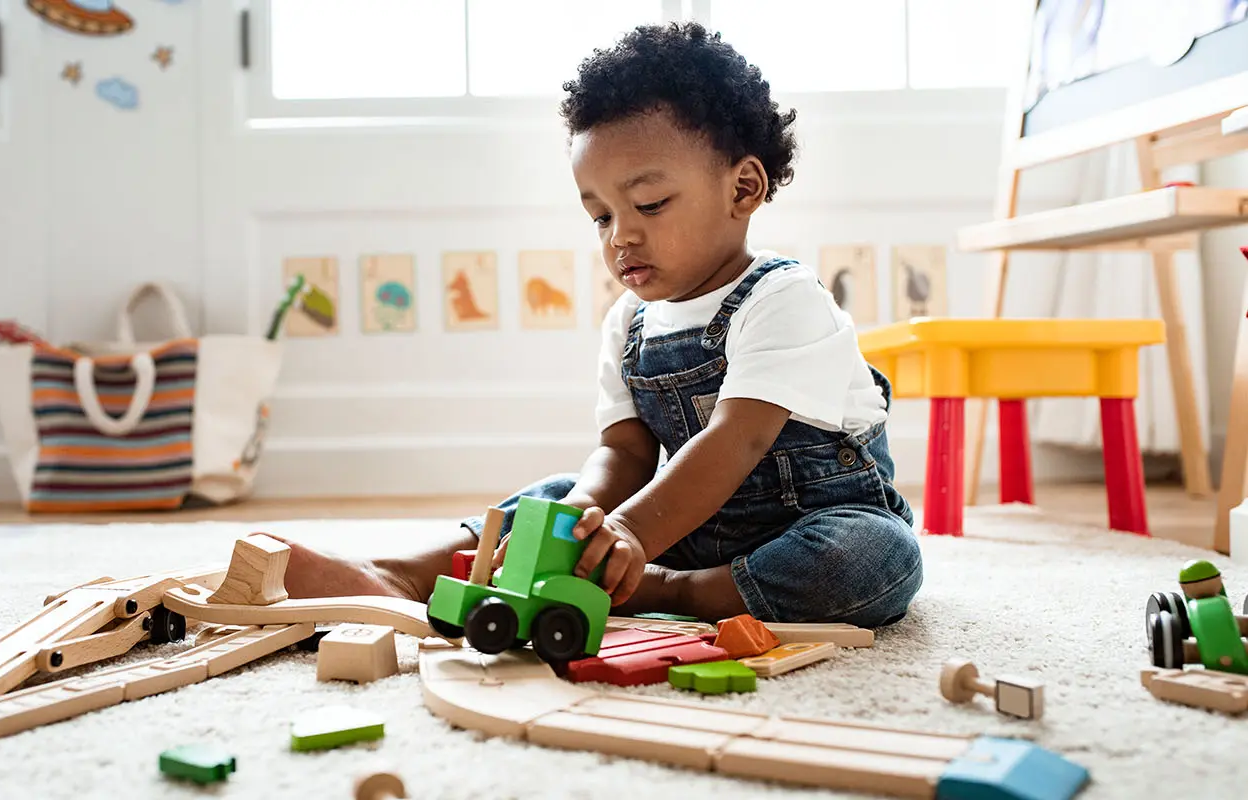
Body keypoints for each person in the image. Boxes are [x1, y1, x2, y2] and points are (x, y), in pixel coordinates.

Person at [272, 21, 922, 627]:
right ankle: (402, 576)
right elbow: (626, 454)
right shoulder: (629, 322)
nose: (622, 235)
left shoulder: (784, 299)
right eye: (601, 216)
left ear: (743, 189)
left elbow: (736, 442)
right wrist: (583, 515)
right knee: (554, 498)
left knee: (871, 558)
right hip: (681, 523)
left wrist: (635, 535)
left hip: (806, 522)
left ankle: (673, 592)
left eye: (649, 203)